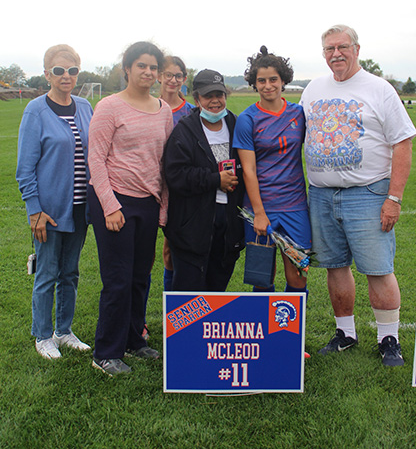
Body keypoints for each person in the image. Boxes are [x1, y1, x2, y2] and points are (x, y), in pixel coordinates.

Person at [301, 24, 416, 366]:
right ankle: (345, 332)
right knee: (335, 266)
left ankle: (388, 338)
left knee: (377, 268)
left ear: (356, 49)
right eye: (329, 49)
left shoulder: (379, 89)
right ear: (323, 54)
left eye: (342, 47)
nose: (336, 54)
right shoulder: (313, 89)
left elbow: (402, 142)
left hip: (367, 192)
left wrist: (393, 198)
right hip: (321, 194)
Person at [88, 41, 173, 376]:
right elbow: (95, 158)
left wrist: (162, 206)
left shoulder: (163, 109)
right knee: (118, 279)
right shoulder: (109, 107)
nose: (148, 72)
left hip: (147, 202)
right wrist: (110, 206)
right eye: (141, 66)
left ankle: (134, 339)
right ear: (127, 68)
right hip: (114, 200)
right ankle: (106, 352)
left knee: (140, 276)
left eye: (153, 67)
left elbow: (164, 162)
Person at [16, 44, 92, 359]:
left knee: (70, 272)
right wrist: (35, 211)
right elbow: (24, 169)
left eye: (72, 70)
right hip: (49, 211)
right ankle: (43, 335)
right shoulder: (36, 110)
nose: (66, 76)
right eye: (59, 71)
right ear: (48, 74)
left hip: (80, 209)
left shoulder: (86, 106)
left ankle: (64, 330)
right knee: (47, 272)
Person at [233, 46, 311, 296]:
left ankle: (291, 331)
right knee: (262, 276)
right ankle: (267, 332)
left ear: (284, 80)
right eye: (261, 80)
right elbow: (248, 170)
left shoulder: (299, 113)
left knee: (298, 273)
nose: (268, 85)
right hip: (260, 207)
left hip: (294, 206)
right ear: (254, 84)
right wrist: (258, 213)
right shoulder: (247, 119)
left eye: (273, 79)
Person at [163, 69, 245, 291]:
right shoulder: (184, 131)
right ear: (197, 99)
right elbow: (175, 175)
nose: (215, 101)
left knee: (218, 286)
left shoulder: (237, 126)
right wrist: (214, 179)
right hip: (193, 222)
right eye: (208, 96)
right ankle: (186, 327)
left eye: (219, 94)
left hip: (228, 221)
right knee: (189, 291)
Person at [158, 56, 194, 291]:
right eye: (168, 75)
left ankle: (174, 315)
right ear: (159, 76)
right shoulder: (147, 106)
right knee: (144, 254)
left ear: (184, 78)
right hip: (150, 185)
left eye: (178, 75)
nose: (173, 80)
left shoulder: (192, 112)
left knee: (173, 250)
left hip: (181, 189)